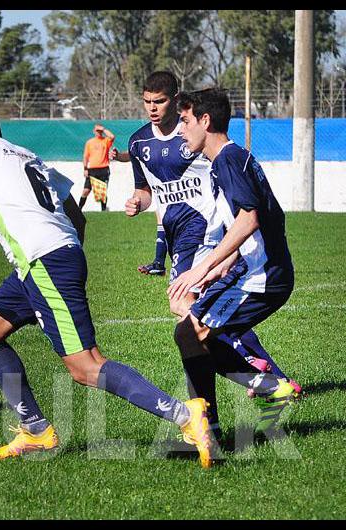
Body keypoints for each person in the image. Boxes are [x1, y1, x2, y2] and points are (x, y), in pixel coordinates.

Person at [0, 101, 214, 467]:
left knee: (85, 366)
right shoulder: (26, 155)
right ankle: (35, 429)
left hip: (45, 262)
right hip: (43, 262)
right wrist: (69, 255)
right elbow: (74, 211)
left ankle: (186, 416)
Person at [123, 73, 299, 441]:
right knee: (190, 332)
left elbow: (249, 219)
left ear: (205, 121)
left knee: (191, 332)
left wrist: (204, 267)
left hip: (261, 276)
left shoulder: (228, 160)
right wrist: (218, 268)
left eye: (185, 121)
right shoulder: (231, 159)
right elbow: (266, 218)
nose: (181, 131)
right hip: (254, 270)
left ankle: (231, 411)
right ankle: (225, 416)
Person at [79, 124, 115, 212]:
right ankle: (78, 209)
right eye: (97, 131)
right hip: (92, 170)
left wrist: (103, 129)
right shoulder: (90, 142)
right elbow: (85, 156)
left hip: (104, 169)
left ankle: (103, 210)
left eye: (100, 131)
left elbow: (112, 136)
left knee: (102, 192)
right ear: (94, 131)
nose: (99, 133)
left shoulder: (106, 141)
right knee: (86, 190)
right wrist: (85, 168)